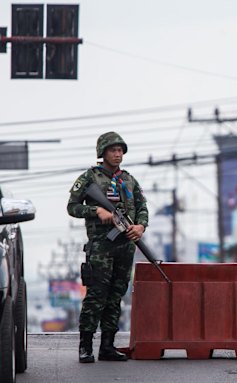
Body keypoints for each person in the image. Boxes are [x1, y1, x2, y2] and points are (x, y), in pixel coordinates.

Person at [67, 132, 148, 363]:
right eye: (113, 150)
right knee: (96, 296)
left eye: (121, 150)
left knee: (115, 296)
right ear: (102, 153)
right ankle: (85, 346)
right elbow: (72, 206)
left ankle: (107, 346)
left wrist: (141, 226)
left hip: (125, 246)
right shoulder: (90, 178)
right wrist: (96, 211)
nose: (118, 154)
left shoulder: (129, 180)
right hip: (101, 247)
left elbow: (142, 206)